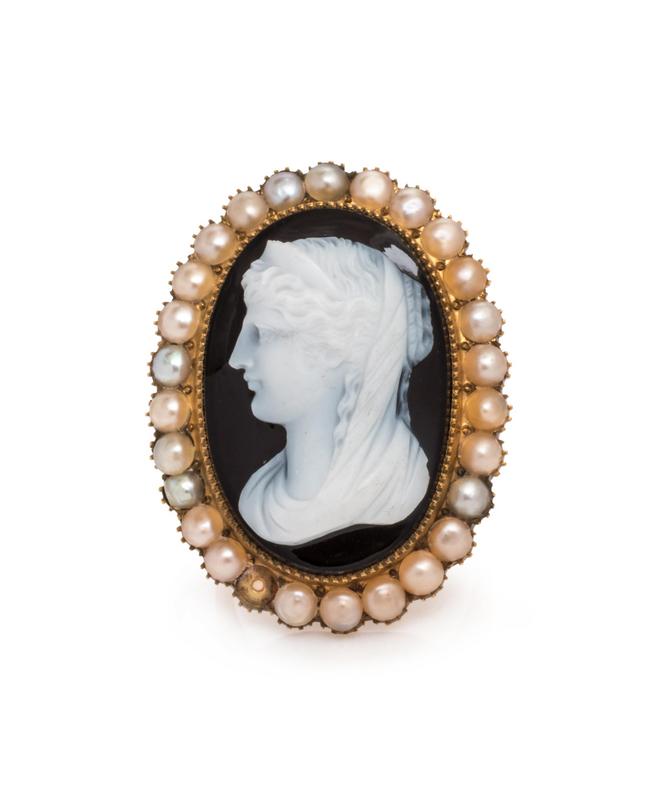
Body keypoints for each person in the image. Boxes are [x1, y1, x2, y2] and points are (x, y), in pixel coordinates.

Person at [229, 236, 434, 546]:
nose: (236, 358)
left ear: (344, 346)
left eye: (266, 333)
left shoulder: (394, 487)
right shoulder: (258, 496)